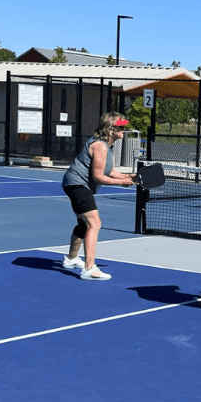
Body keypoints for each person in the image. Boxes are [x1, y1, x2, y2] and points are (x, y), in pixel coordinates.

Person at [60, 112, 136, 280]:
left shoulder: (107, 146)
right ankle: (89, 269)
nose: (124, 130)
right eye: (121, 127)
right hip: (77, 184)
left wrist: (127, 176)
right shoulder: (100, 147)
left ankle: (71, 259)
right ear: (110, 129)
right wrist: (121, 183)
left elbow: (110, 171)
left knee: (83, 224)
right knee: (94, 223)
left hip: (74, 184)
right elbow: (98, 177)